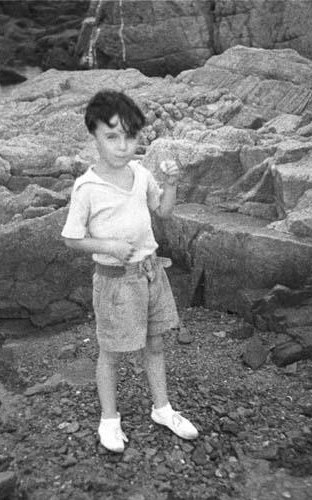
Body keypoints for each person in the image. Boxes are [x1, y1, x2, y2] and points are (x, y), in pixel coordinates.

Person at [61, 90, 198, 453]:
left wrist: (171, 184)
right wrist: (108, 247)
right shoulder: (87, 187)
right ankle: (109, 419)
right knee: (111, 351)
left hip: (152, 274)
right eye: (112, 137)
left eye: (130, 137)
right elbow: (72, 239)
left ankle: (163, 408)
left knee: (155, 343)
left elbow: (163, 212)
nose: (123, 147)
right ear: (94, 135)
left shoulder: (140, 173)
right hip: (115, 282)